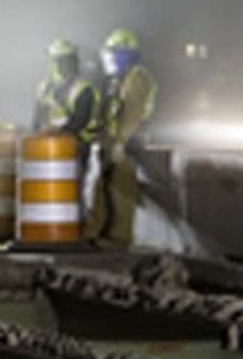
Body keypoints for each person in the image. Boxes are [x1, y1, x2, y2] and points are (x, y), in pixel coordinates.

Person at [90, 28, 159, 246]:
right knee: (103, 187)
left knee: (122, 190)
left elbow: (132, 113)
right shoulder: (118, 80)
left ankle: (118, 239)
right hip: (113, 141)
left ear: (124, 55)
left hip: (130, 144)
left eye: (113, 54)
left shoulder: (137, 78)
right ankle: (97, 232)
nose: (108, 59)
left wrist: (121, 142)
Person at [33, 38, 99, 137]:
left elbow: (79, 122)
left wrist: (55, 130)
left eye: (71, 60)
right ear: (53, 63)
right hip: (50, 143)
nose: (69, 65)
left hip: (80, 143)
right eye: (63, 61)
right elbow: (37, 119)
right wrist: (38, 134)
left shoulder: (83, 89)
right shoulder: (43, 88)